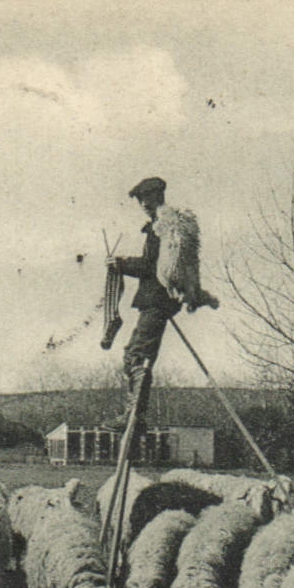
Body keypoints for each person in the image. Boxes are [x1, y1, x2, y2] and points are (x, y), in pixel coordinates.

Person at [104, 176, 182, 434]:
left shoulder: (164, 227)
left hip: (157, 299)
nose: (144, 205)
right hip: (156, 300)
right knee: (133, 354)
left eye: (147, 199)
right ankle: (133, 414)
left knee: (138, 356)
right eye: (141, 201)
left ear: (159, 197)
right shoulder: (164, 226)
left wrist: (122, 264)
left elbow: (152, 266)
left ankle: (134, 416)